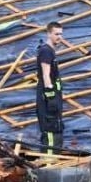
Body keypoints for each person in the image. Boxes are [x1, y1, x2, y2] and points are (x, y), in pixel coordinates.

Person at [36, 21, 67, 154]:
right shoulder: (46, 51)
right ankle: (49, 164)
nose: (59, 37)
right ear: (48, 34)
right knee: (50, 130)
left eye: (61, 34)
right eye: (56, 34)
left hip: (54, 96)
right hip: (48, 98)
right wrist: (50, 96)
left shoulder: (51, 52)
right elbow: (45, 74)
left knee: (56, 128)